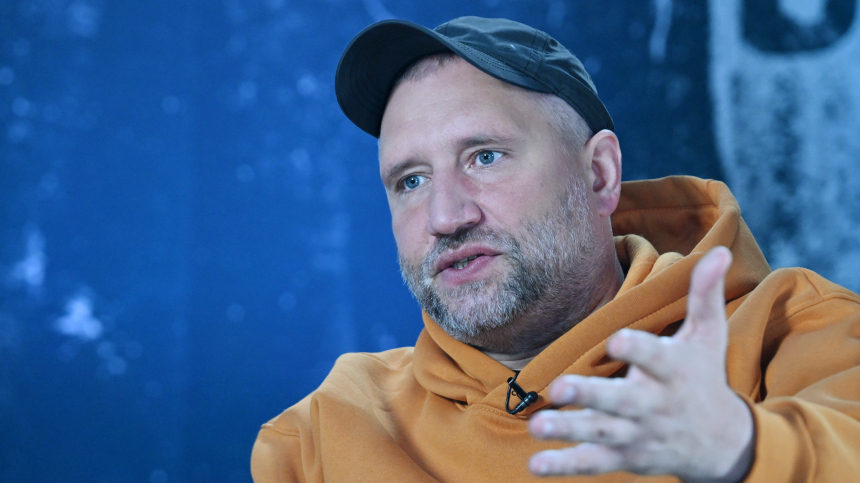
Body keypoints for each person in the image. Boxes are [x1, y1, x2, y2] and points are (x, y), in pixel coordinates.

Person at [251, 16, 860, 482]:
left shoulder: (789, 330)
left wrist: (741, 449)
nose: (444, 217)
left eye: (485, 157)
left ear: (599, 174)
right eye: (411, 181)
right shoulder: (325, 434)